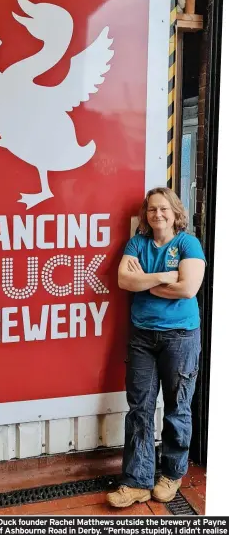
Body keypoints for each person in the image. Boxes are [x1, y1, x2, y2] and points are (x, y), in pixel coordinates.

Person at [107, 187, 206, 509]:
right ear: (145, 215)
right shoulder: (137, 243)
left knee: (178, 407)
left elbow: (188, 288)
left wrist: (145, 282)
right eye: (151, 210)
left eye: (163, 209)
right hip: (142, 337)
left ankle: (171, 474)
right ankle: (136, 481)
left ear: (176, 212)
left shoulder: (187, 244)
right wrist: (163, 276)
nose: (157, 215)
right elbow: (124, 281)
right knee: (140, 408)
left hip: (180, 336)